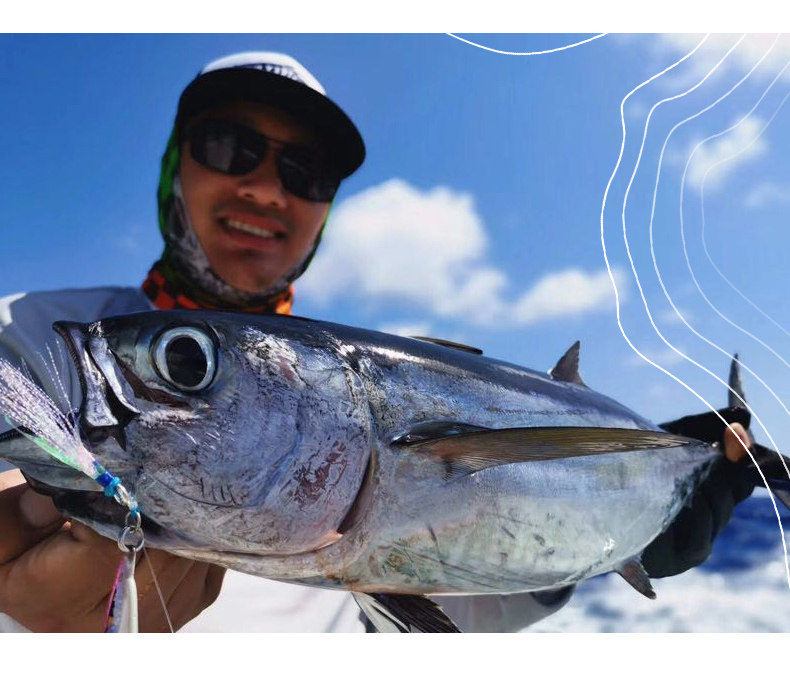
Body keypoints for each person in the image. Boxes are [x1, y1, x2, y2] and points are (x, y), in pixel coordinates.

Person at [0, 51, 755, 633]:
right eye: (229, 146)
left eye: (305, 171)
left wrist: (620, 519)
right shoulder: (31, 338)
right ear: (176, 163)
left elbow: (446, 594)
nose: (265, 189)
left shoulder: (355, 378)